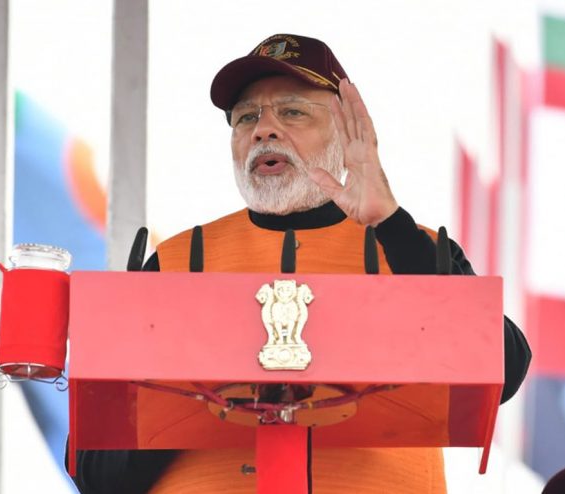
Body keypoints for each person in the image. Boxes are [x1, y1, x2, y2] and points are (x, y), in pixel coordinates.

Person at [69, 33, 531, 494]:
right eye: (246, 117)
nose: (263, 129)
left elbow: (504, 372)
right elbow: (96, 471)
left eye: (292, 112)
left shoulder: (413, 248)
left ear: (347, 131)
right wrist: (199, 387)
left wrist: (389, 222)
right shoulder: (175, 263)